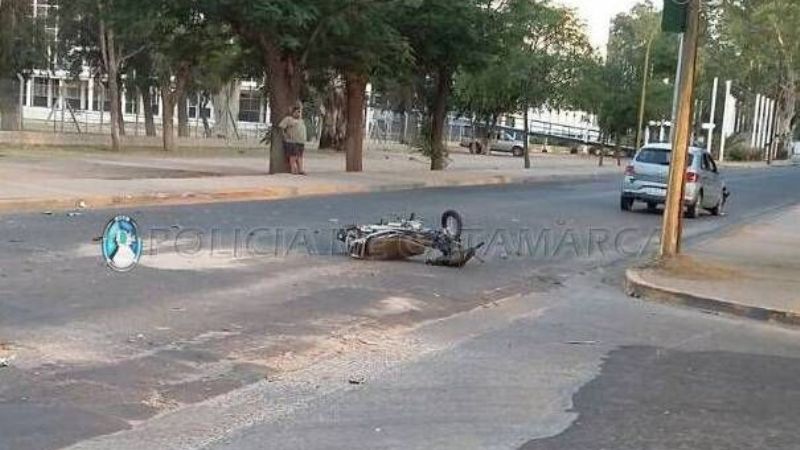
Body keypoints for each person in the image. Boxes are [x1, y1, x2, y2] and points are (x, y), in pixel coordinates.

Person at [277, 105, 307, 175]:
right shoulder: (288, 119)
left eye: (299, 112)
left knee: (300, 156)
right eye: (297, 112)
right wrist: (284, 135)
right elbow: (281, 127)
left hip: (301, 141)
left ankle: (301, 170)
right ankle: (293, 169)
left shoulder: (301, 120)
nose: (298, 114)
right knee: (293, 156)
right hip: (292, 141)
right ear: (293, 112)